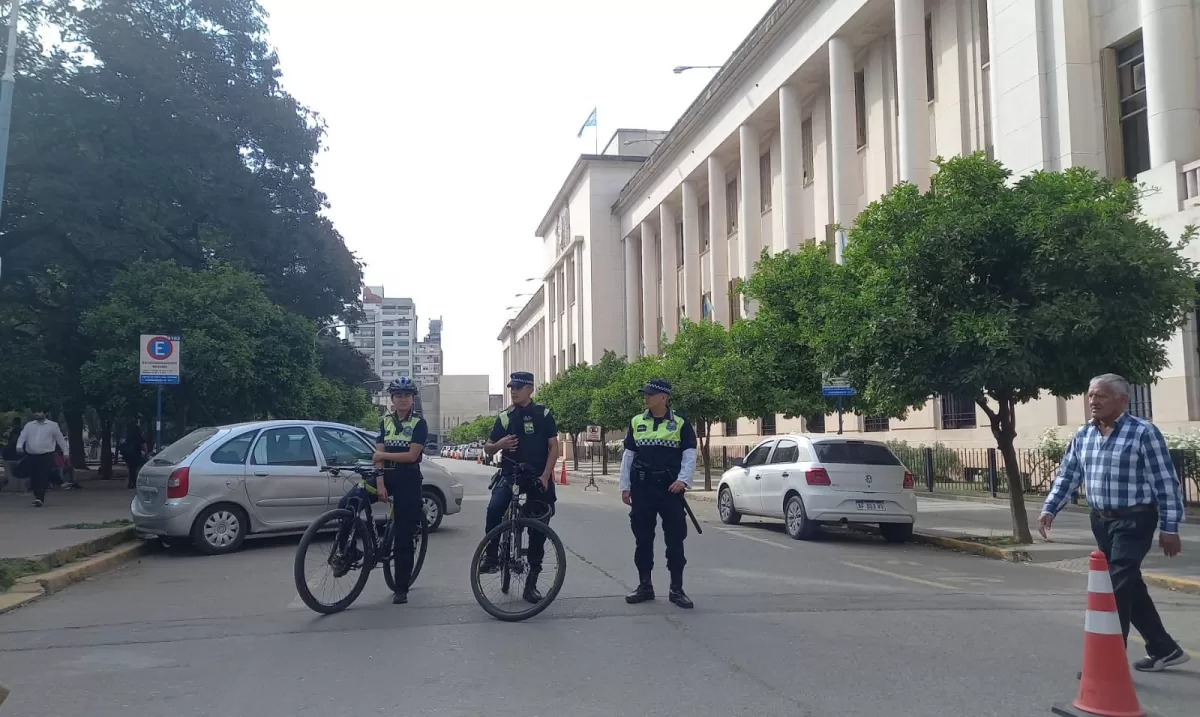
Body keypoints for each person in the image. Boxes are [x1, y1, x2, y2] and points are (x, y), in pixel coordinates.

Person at [1040, 373, 1188, 672]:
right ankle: (1164, 648)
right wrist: (1050, 508)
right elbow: (1069, 475)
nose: (1093, 401)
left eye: (1101, 396)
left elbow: (1166, 483)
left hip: (1135, 520)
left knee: (1115, 586)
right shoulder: (1084, 434)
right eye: (1091, 395)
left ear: (1122, 400)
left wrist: (1170, 527)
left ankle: (1107, 663)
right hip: (1101, 521)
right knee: (1129, 584)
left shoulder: (1143, 432)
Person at [481, 371, 560, 603]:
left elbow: (553, 447)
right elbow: (487, 447)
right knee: (495, 508)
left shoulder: (543, 414)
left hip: (538, 475)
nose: (513, 391)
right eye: (511, 387)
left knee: (538, 527)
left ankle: (531, 584)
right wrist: (498, 445)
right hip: (511, 473)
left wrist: (546, 476)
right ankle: (492, 555)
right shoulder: (506, 417)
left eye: (518, 387)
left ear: (530, 389)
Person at [620, 378, 697, 609]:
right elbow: (628, 456)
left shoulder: (681, 422)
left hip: (669, 490)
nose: (646, 397)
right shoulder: (636, 421)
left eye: (650, 394)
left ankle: (676, 589)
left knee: (675, 540)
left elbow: (689, 454)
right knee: (643, 540)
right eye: (645, 394)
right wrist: (625, 486)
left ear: (663, 397)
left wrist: (683, 480)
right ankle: (645, 586)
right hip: (643, 489)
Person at [357, 376, 427, 604]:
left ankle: (401, 586)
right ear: (392, 399)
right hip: (385, 475)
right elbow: (377, 455)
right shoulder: (384, 421)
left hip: (408, 478)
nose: (403, 399)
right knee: (351, 501)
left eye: (407, 395)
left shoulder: (419, 423)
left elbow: (412, 455)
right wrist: (379, 483)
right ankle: (353, 548)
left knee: (404, 535)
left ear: (413, 399)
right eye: (398, 395)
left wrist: (383, 455)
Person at [16, 409, 69, 508]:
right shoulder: (29, 425)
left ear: (46, 413)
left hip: (46, 455)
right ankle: (56, 481)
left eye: (40, 412)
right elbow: (22, 436)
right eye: (36, 412)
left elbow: (60, 439)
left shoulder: (52, 425)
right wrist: (19, 446)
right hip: (31, 454)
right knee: (34, 475)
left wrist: (65, 452)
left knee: (42, 475)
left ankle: (39, 498)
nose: (37, 414)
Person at [121, 423, 147, 489]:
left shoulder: (128, 437)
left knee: (131, 469)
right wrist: (146, 453)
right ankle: (134, 482)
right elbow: (144, 446)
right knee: (136, 469)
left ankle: (131, 482)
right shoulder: (139, 437)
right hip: (136, 455)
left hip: (128, 456)